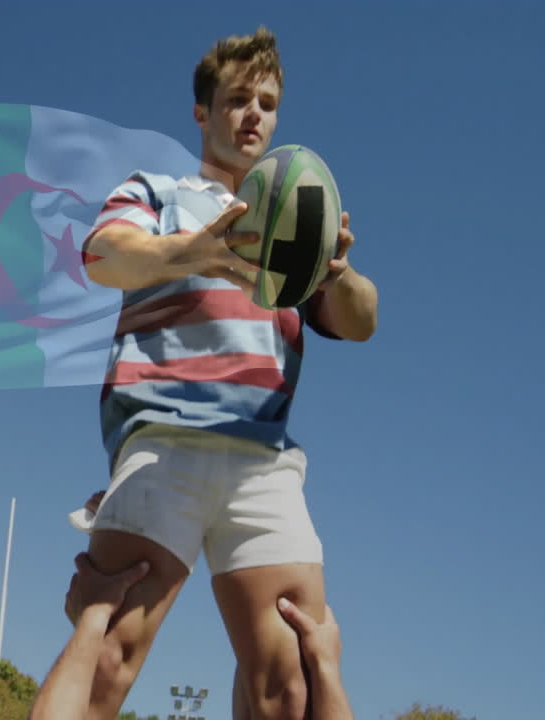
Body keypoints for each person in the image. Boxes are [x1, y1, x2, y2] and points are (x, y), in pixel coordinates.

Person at [68, 26, 378, 720]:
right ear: (202, 113)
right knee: (108, 656)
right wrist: (189, 254)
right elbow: (104, 256)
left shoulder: (301, 225)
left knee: (291, 680)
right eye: (237, 99)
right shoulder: (157, 193)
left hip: (264, 461)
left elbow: (361, 321)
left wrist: (340, 270)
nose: (253, 115)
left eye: (266, 102)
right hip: (163, 442)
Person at [30, 548, 355, 720]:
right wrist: (326, 667)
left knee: (109, 654)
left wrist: (93, 617)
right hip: (258, 451)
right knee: (290, 695)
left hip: (162, 446)